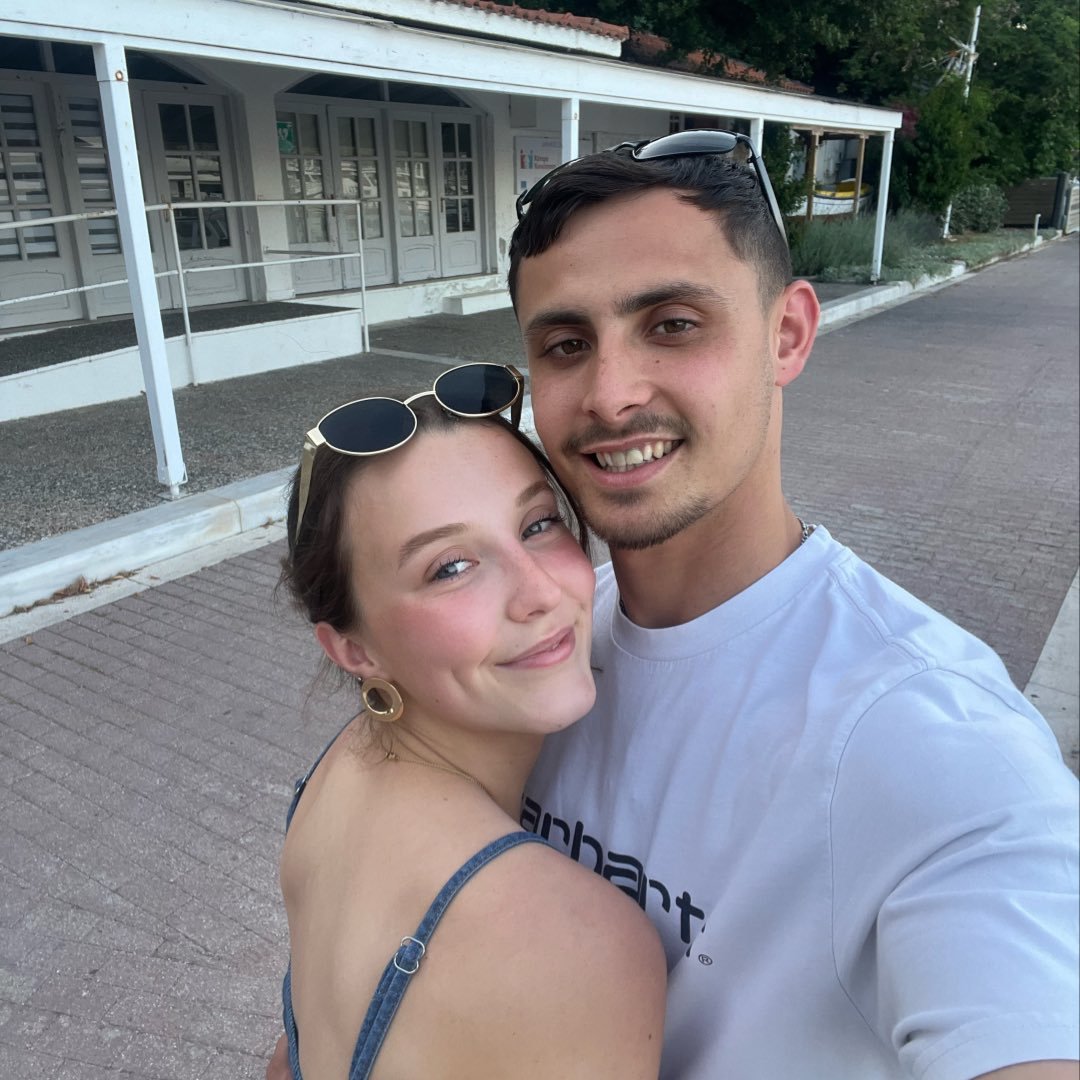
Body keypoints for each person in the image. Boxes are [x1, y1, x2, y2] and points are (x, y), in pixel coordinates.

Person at [508, 130, 1079, 1079]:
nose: (610, 395)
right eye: (567, 345)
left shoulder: (931, 739)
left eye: (673, 325)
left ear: (788, 335)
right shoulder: (539, 644)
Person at [273, 367, 665, 1079]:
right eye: (451, 567)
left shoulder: (340, 771)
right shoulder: (568, 945)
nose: (539, 593)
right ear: (353, 650)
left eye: (538, 524)